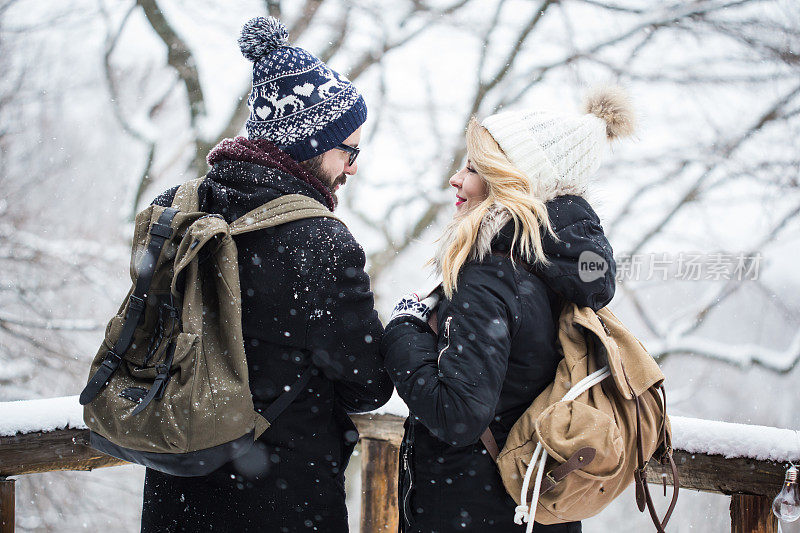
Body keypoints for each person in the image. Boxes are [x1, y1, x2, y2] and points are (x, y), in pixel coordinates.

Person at [140, 17, 393, 533]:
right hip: (280, 500)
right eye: (349, 150)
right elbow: (368, 385)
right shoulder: (321, 243)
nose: (353, 167)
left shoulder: (177, 209)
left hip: (175, 486)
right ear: (310, 144)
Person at [380, 87, 634, 532]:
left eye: (474, 168)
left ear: (511, 178)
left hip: (475, 508)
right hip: (532, 504)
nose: (456, 180)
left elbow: (456, 414)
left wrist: (403, 328)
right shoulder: (555, 268)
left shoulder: (490, 275)